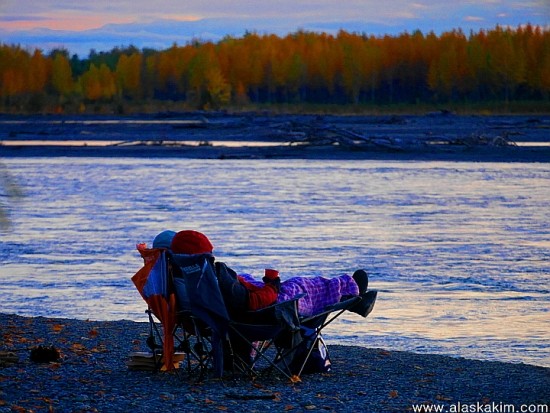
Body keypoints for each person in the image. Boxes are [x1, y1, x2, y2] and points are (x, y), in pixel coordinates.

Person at [168, 230, 377, 318]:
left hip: (214, 315)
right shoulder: (214, 277)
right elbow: (252, 303)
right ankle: (351, 291)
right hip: (259, 315)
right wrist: (272, 285)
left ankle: (353, 300)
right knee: (300, 285)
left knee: (266, 281)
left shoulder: (178, 275)